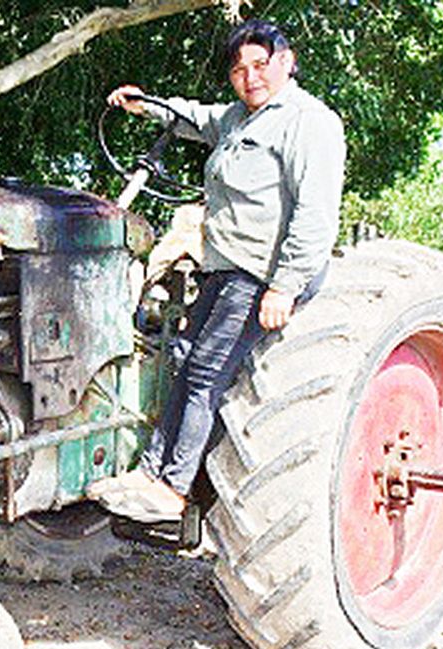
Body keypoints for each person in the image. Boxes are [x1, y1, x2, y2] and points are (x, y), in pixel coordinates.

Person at [92, 19, 346, 522]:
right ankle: (150, 471)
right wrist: (146, 105)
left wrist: (284, 286)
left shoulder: (307, 122)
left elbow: (315, 214)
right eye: (238, 69)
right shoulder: (238, 117)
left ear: (286, 61)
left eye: (260, 64)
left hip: (261, 272)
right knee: (183, 356)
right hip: (224, 266)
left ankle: (174, 487)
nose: (250, 76)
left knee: (208, 368)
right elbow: (193, 118)